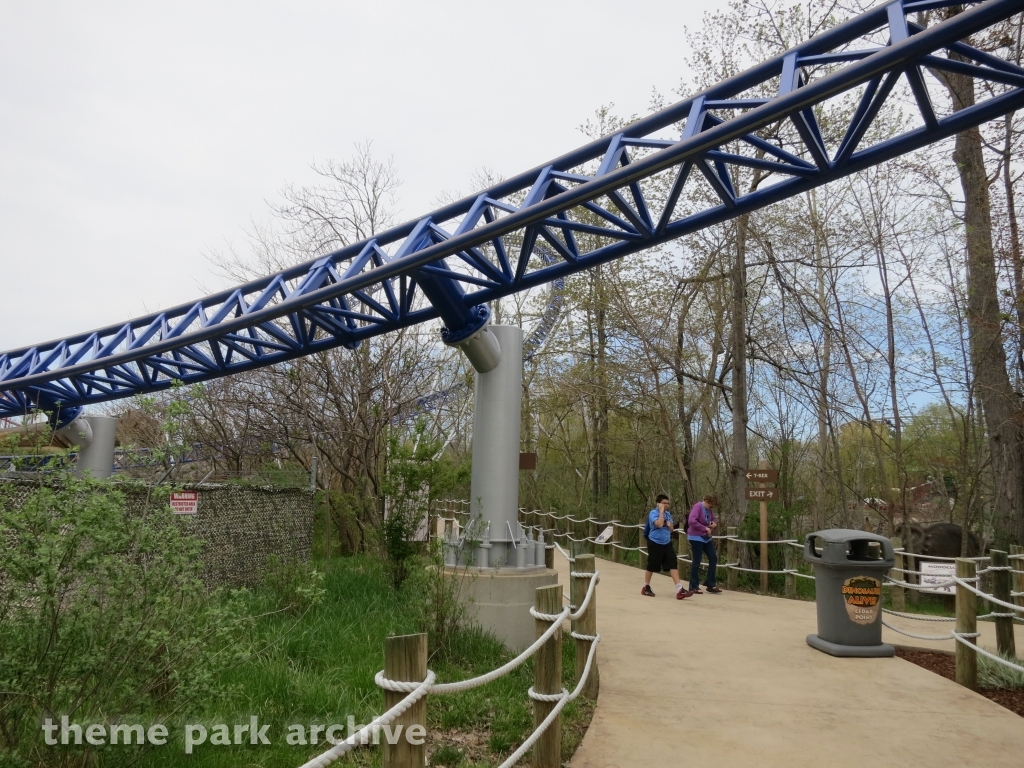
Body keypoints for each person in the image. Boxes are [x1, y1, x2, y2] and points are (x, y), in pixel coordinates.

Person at [641, 494, 691, 599]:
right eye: (664, 503)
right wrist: (661, 512)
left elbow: (671, 529)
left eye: (668, 503)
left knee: (673, 563)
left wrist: (670, 526)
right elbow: (659, 524)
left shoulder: (668, 514)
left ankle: (679, 589)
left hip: (667, 543)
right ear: (658, 503)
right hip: (655, 542)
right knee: (652, 565)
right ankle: (646, 587)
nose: (666, 505)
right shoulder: (653, 513)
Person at [687, 494, 722, 594]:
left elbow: (713, 519)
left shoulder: (709, 510)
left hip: (706, 538)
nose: (711, 508)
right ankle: (693, 586)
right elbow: (692, 520)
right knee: (697, 560)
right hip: (696, 537)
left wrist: (714, 524)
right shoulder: (698, 507)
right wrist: (705, 528)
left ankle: (710, 583)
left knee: (713, 557)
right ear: (706, 502)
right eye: (710, 506)